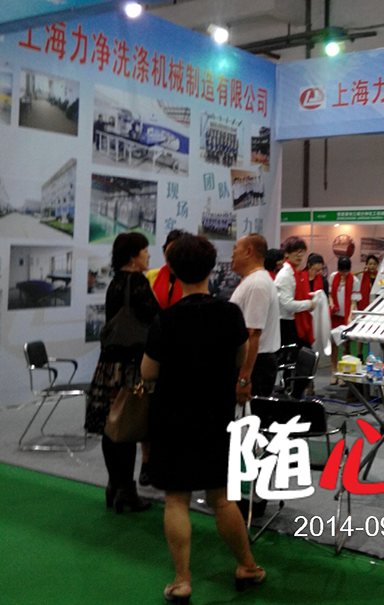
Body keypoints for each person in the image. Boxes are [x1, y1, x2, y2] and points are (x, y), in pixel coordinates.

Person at [141, 233, 264, 604]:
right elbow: (240, 357)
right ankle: (247, 566)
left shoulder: (166, 319)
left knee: (176, 499)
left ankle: (182, 580)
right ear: (212, 268)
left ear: (174, 271)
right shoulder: (229, 313)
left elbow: (148, 372)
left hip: (171, 416)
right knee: (222, 498)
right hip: (215, 414)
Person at [85, 231, 160, 513]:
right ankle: (127, 491)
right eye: (144, 251)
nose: (148, 255)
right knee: (127, 428)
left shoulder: (115, 283)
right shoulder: (137, 283)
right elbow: (156, 319)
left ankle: (114, 485)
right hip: (131, 366)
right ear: (133, 256)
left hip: (108, 365)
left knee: (111, 426)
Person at [230, 233, 281, 404]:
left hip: (256, 365)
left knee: (252, 416)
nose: (232, 255)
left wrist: (244, 379)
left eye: (235, 250)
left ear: (248, 251)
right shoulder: (253, 281)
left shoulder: (257, 284)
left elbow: (253, 333)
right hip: (254, 363)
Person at [274, 236, 315, 348]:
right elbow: (287, 304)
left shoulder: (298, 273)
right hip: (287, 324)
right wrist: (309, 304)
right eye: (295, 251)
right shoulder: (285, 274)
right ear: (286, 253)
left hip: (295, 322)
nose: (299, 255)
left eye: (302, 251)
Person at [328, 255, 360, 383]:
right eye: (341, 271)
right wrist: (331, 303)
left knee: (345, 345)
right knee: (333, 345)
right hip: (335, 316)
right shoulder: (333, 277)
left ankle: (343, 373)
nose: (343, 274)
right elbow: (330, 294)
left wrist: (350, 316)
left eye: (345, 271)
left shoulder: (355, 281)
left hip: (347, 316)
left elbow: (353, 301)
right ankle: (333, 372)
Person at [146, 228, 184, 309]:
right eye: (169, 253)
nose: (172, 257)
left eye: (177, 253)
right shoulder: (152, 275)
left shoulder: (191, 281)